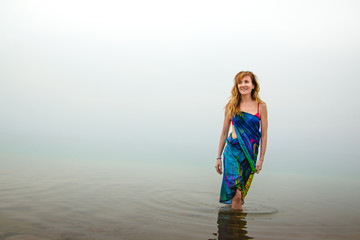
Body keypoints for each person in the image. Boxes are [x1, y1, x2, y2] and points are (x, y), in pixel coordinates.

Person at [215, 71, 268, 210]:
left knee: (240, 194)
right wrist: (218, 157)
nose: (243, 85)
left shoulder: (261, 106)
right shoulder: (231, 106)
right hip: (232, 151)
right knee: (236, 192)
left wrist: (261, 159)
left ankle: (235, 227)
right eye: (240, 82)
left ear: (253, 85)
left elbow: (264, 134)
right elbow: (224, 133)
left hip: (249, 154)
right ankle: (236, 225)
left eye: (246, 82)